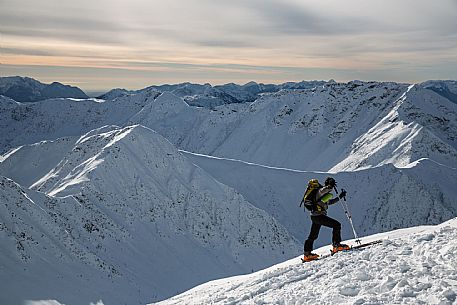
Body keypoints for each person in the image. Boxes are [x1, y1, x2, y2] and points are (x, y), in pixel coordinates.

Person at [301, 177, 349, 262]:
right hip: (319, 216)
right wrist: (330, 185)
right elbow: (324, 190)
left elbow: (330, 202)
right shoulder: (318, 192)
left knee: (313, 235)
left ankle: (307, 254)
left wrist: (340, 197)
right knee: (336, 225)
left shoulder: (317, 197)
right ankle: (336, 245)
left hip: (314, 216)